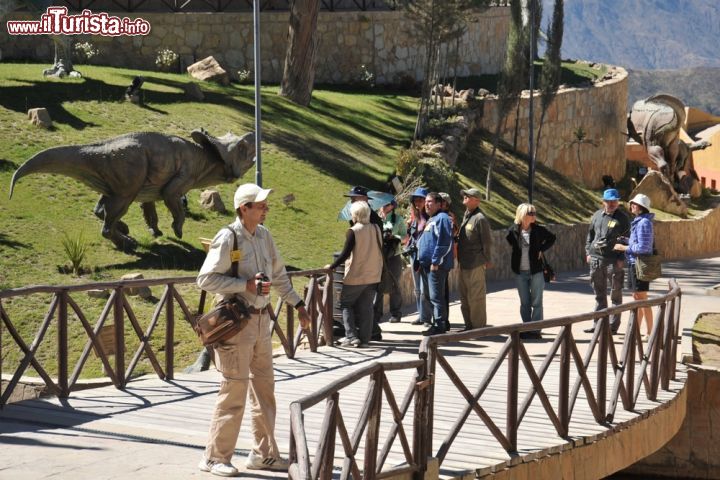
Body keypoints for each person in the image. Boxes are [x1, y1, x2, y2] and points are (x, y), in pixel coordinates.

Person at [196, 183, 311, 477]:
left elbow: (280, 276)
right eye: (260, 205)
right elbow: (205, 279)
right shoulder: (228, 237)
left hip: (261, 323)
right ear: (243, 208)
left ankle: (264, 454)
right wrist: (244, 286)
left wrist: (298, 304)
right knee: (234, 390)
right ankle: (214, 457)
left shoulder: (264, 235)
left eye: (264, 205)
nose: (265, 209)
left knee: (264, 391)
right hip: (236, 325)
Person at [326, 201, 383, 348]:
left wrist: (331, 266)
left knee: (345, 304)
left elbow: (345, 254)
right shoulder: (376, 228)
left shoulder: (353, 231)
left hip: (356, 275)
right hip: (373, 275)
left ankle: (351, 336)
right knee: (366, 307)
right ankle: (365, 339)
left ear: (355, 214)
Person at [584, 188, 631, 334]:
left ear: (618, 202)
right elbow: (590, 235)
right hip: (596, 260)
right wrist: (588, 251)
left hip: (614, 261)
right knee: (599, 294)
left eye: (614, 201)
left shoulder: (623, 218)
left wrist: (621, 258)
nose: (611, 204)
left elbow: (627, 240)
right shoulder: (597, 215)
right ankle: (598, 324)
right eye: (609, 201)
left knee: (615, 294)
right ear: (603, 202)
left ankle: (612, 326)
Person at [506, 203, 556, 339]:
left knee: (537, 302)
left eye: (534, 213)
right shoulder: (513, 231)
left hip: (536, 271)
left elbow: (552, 238)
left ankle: (535, 330)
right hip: (520, 272)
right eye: (531, 213)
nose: (534, 215)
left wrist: (541, 249)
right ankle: (526, 328)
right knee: (525, 302)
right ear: (522, 215)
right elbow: (510, 241)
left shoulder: (538, 230)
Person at [613, 193, 655, 337]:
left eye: (635, 204)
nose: (632, 206)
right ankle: (636, 331)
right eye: (632, 203)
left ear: (642, 207)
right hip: (634, 263)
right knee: (638, 298)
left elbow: (644, 248)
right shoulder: (640, 221)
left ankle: (651, 332)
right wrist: (626, 240)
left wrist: (624, 247)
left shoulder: (644, 223)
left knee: (642, 298)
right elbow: (638, 242)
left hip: (639, 264)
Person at [345, 185, 383, 341]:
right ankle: (368, 335)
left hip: (363, 268)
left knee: (349, 303)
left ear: (364, 200)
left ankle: (354, 336)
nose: (351, 200)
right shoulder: (359, 219)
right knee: (365, 306)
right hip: (372, 269)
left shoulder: (373, 221)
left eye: (354, 198)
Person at [417, 192, 454, 336]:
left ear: (439, 204)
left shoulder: (442, 218)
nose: (426, 204)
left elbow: (445, 242)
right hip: (426, 266)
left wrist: (436, 261)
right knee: (430, 296)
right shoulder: (432, 219)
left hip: (436, 266)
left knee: (436, 296)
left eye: (430, 202)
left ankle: (440, 325)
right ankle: (437, 323)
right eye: (426, 201)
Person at [457, 188, 493, 330]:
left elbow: (487, 241)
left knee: (476, 298)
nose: (465, 197)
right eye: (465, 195)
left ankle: (478, 328)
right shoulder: (467, 215)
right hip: (464, 263)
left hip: (476, 263)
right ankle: (469, 326)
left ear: (476, 200)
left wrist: (487, 260)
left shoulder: (480, 218)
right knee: (464, 297)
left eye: (468, 195)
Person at [374, 199, 406, 324]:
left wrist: (394, 237)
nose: (382, 206)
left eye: (386, 204)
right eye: (381, 203)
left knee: (395, 284)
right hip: (378, 256)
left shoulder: (398, 219)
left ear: (392, 206)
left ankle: (396, 313)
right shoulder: (375, 218)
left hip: (393, 256)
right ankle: (376, 314)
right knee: (378, 284)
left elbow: (405, 237)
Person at [405, 187, 432, 326]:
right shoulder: (414, 217)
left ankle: (427, 317)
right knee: (417, 289)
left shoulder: (429, 218)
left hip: (424, 255)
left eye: (421, 199)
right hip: (414, 254)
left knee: (424, 288)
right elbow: (411, 236)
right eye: (415, 199)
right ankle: (421, 315)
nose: (418, 202)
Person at [439, 192, 458, 330]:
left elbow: (453, 233)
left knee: (442, 291)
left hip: (444, 258)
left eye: (442, 201)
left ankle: (444, 321)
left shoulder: (449, 217)